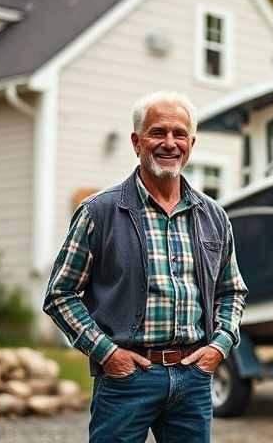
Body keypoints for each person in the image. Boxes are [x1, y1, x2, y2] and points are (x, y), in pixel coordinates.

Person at [43, 91, 248, 443]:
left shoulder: (214, 216)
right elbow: (60, 294)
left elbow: (232, 291)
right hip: (127, 379)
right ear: (137, 142)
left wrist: (220, 346)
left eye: (179, 134)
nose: (169, 143)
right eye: (158, 132)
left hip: (194, 378)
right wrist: (108, 354)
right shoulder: (99, 212)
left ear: (191, 144)